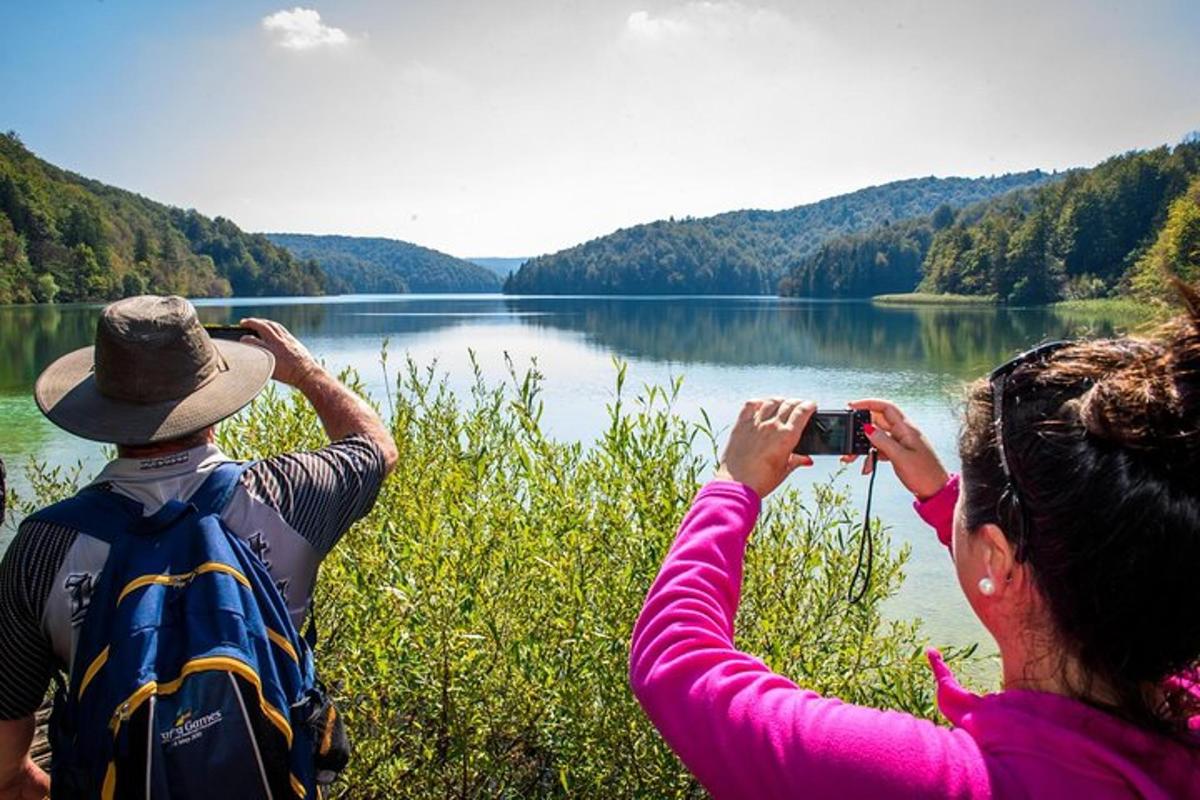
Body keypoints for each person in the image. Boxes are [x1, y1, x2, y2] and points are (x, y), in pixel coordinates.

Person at [630, 294, 1200, 796]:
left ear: (997, 558)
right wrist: (940, 493)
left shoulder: (942, 782)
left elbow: (674, 664)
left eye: (967, 499)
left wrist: (734, 486)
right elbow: (1059, 561)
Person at [0, 296, 398, 799]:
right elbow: (375, 446)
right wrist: (303, 371)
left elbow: (7, 772)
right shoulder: (287, 495)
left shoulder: (42, 548)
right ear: (213, 399)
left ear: (103, 412)